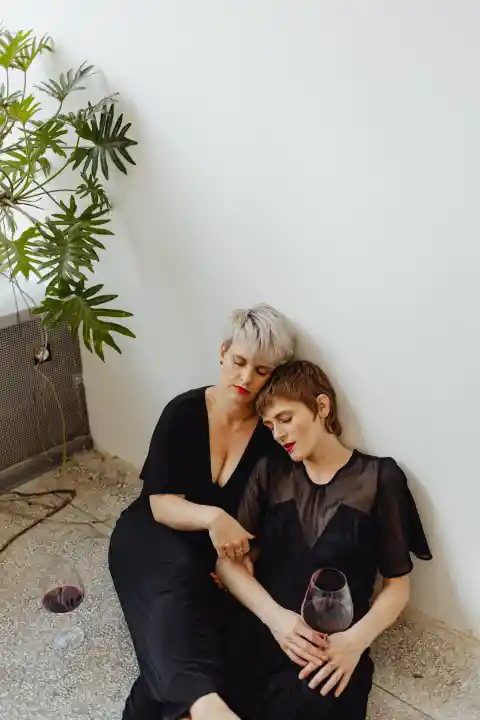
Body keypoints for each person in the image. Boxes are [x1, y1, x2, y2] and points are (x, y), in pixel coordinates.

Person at [108, 304, 297, 720]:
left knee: (209, 633)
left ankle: (192, 706)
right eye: (239, 362)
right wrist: (214, 517)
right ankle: (207, 707)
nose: (246, 379)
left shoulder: (270, 439)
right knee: (175, 585)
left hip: (213, 561)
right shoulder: (184, 411)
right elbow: (160, 504)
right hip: (150, 537)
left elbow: (264, 520)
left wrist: (249, 555)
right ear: (223, 352)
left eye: (261, 371)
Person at [217, 360, 432, 720]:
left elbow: (397, 585)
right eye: (270, 425)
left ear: (321, 406)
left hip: (329, 650)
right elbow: (228, 563)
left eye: (285, 419)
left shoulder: (379, 478)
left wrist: (354, 643)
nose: (277, 434)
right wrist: (276, 620)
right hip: (262, 628)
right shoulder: (270, 471)